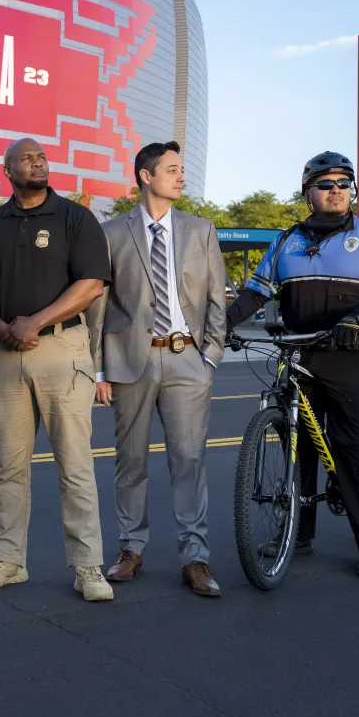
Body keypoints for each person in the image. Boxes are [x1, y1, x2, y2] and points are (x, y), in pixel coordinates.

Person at [225, 151, 359, 578]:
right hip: (300, 353)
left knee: (353, 447)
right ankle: (299, 533)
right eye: (326, 185)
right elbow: (256, 293)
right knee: (300, 444)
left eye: (343, 185)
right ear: (309, 193)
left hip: (353, 354)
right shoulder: (286, 240)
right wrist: (224, 322)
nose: (336, 192)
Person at [0, 137, 112, 602]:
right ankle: (10, 561)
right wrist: (7, 329)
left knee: (75, 464)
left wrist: (35, 322)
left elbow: (90, 285)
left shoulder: (75, 218)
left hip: (61, 348)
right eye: (27, 158)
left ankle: (89, 568)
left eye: (42, 157)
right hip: (4, 356)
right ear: (7, 169)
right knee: (9, 468)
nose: (38, 162)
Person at [96, 141, 227, 598]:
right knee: (130, 461)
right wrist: (99, 370)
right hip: (130, 360)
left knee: (188, 459)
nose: (181, 176)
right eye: (171, 169)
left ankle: (195, 557)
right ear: (145, 176)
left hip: (187, 358)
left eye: (181, 169)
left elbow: (216, 296)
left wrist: (209, 354)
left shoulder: (201, 230)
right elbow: (100, 303)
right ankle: (130, 548)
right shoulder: (112, 232)